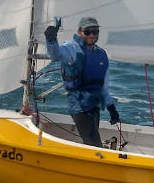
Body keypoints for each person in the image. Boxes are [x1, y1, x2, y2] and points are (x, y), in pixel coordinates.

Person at [44, 17, 120, 147]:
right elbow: (55, 55)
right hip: (79, 107)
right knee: (94, 146)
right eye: (88, 31)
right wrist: (51, 40)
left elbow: (103, 87)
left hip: (94, 108)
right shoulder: (71, 49)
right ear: (80, 32)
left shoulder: (101, 54)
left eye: (95, 31)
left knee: (91, 143)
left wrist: (111, 108)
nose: (92, 35)